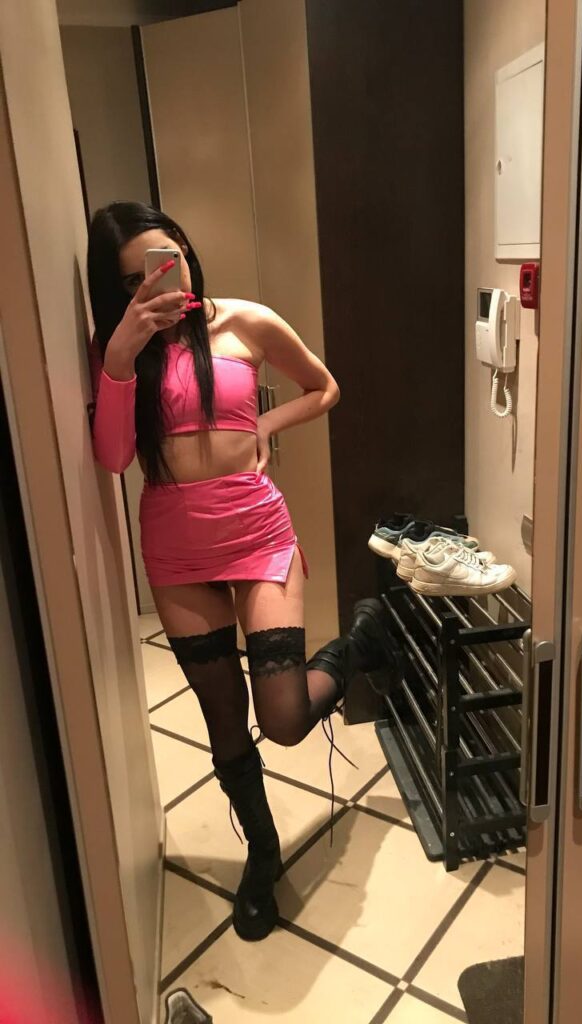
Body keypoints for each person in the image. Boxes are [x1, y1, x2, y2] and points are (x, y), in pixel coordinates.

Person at [86, 201, 395, 942]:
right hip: (176, 548)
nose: (156, 283)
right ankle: (261, 857)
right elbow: (114, 457)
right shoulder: (118, 349)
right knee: (223, 718)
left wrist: (266, 424)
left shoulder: (245, 321)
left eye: (166, 260)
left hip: (256, 532)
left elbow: (324, 386)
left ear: (185, 251)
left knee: (282, 718)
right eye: (132, 280)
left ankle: (356, 644)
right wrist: (121, 355)